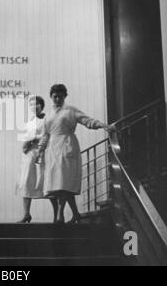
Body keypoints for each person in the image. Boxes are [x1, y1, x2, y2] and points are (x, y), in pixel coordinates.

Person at [38, 85, 115, 224]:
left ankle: (60, 215)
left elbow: (88, 121)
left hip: (67, 145)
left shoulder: (70, 110)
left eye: (60, 96)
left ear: (64, 96)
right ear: (51, 97)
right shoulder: (48, 115)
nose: (57, 99)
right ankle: (75, 214)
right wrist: (40, 150)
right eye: (55, 96)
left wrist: (104, 126)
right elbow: (45, 135)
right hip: (52, 149)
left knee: (64, 182)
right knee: (55, 184)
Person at [16, 96, 58, 223]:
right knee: (26, 182)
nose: (34, 107)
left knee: (46, 183)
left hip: (42, 153)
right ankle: (26, 214)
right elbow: (25, 136)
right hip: (29, 154)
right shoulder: (30, 121)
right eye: (32, 105)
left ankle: (57, 216)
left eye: (37, 104)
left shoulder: (47, 120)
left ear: (42, 105)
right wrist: (25, 144)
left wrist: (34, 139)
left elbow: (48, 135)